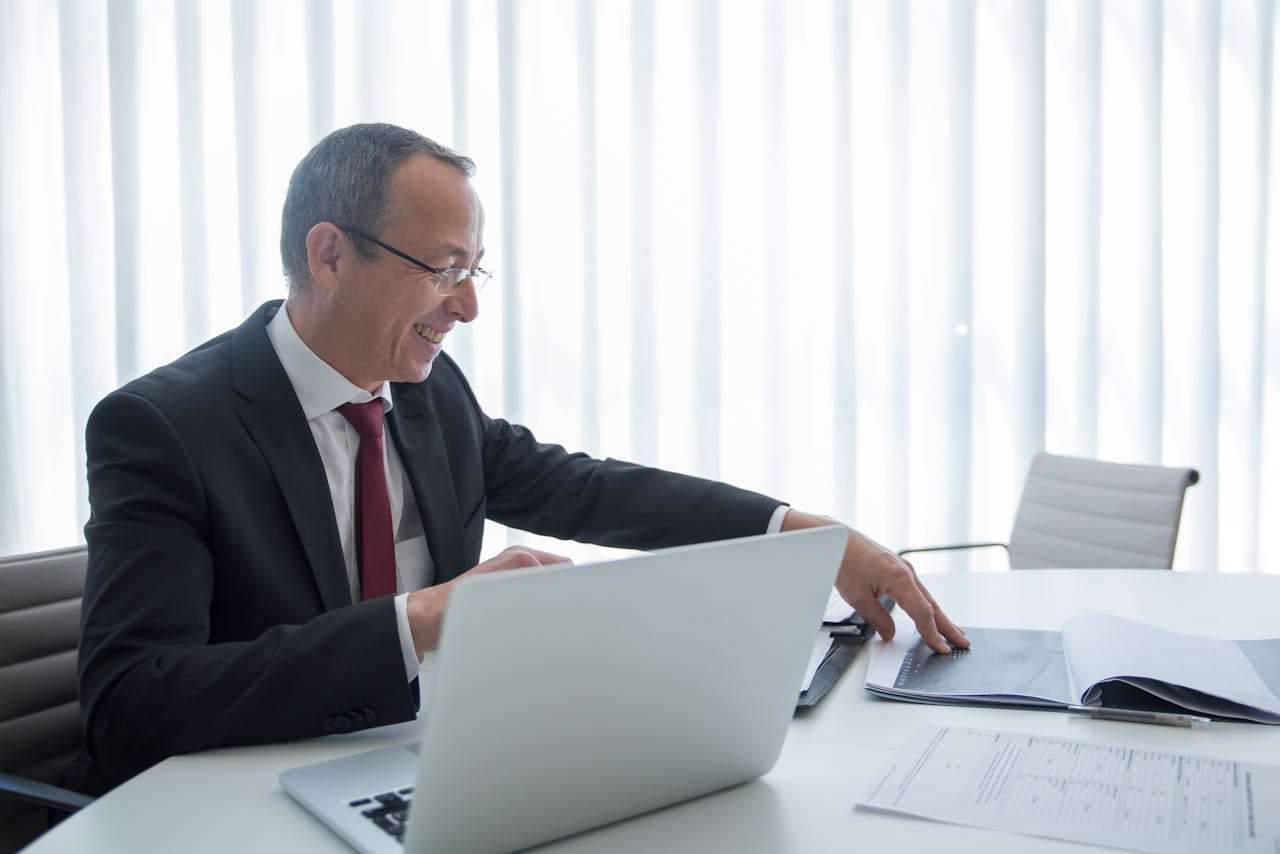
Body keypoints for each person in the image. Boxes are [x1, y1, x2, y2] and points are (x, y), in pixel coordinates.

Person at [69, 123, 967, 795]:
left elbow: (588, 487)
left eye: (475, 271)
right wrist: (425, 620)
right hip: (243, 804)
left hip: (434, 774)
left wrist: (801, 533)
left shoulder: (427, 393)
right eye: (442, 268)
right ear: (330, 253)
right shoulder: (163, 427)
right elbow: (132, 708)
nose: (465, 308)